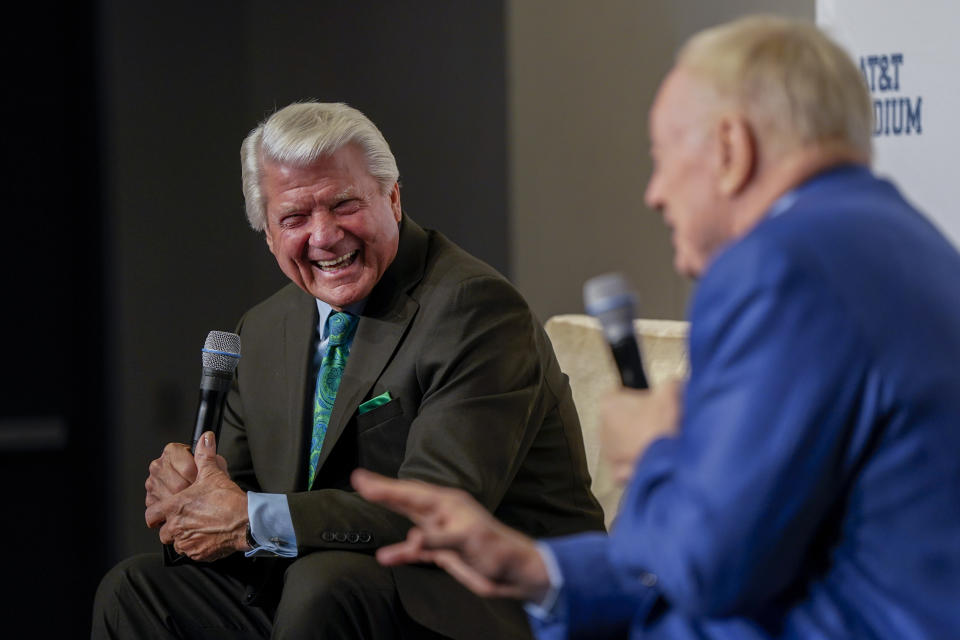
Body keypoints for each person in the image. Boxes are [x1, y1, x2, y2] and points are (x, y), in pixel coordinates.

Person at [352, 15, 960, 639]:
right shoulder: (912, 247)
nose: (654, 192)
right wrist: (538, 568)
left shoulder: (781, 266)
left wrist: (652, 450)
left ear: (730, 149)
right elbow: (762, 534)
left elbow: (706, 570)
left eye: (663, 158)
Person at [92, 102, 604, 639]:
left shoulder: (474, 308)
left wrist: (251, 517)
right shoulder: (264, 329)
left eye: (344, 204)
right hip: (323, 592)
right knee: (137, 591)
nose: (325, 236)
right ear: (267, 233)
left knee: (324, 583)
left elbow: (441, 512)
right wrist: (195, 496)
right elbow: (239, 496)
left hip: (480, 598)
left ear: (393, 198)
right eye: (294, 218)